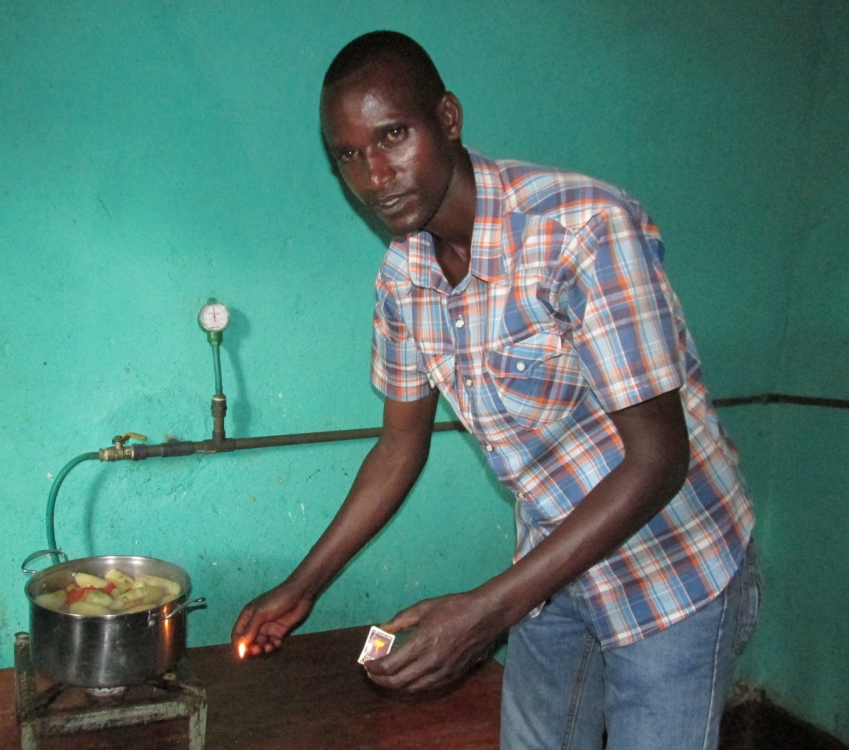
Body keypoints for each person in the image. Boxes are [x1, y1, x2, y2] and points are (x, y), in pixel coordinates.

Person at [232, 30, 758, 750]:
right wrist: (303, 585)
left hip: (674, 571)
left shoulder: (580, 231)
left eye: (392, 136)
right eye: (348, 156)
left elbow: (659, 458)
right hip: (555, 569)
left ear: (448, 118)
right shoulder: (404, 280)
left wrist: (484, 613)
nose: (375, 174)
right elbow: (398, 446)